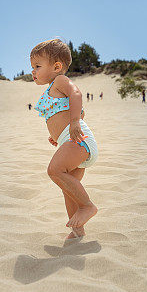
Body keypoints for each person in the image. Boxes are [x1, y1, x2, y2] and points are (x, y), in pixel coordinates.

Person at [31, 38, 99, 239]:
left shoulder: (60, 81)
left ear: (57, 66)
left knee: (54, 170)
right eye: (32, 67)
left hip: (79, 140)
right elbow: (63, 113)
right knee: (68, 188)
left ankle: (87, 206)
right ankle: (78, 231)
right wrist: (57, 136)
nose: (32, 71)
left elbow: (76, 95)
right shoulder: (51, 89)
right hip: (68, 141)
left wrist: (75, 122)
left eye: (37, 66)